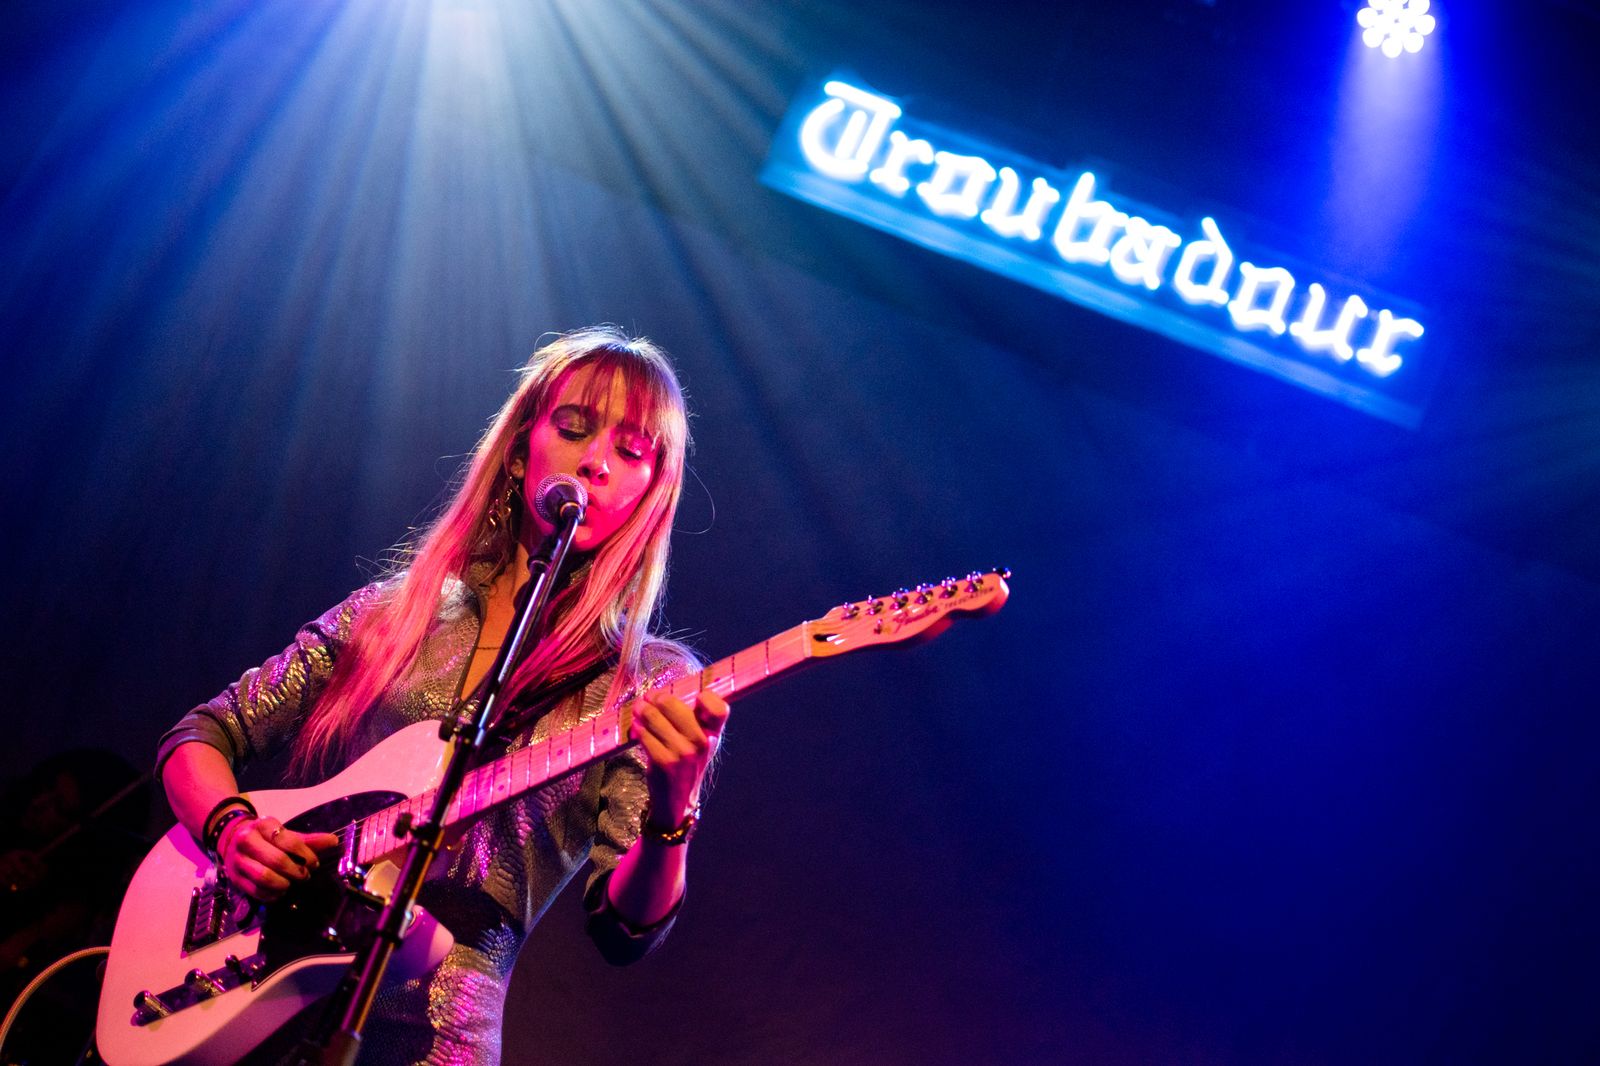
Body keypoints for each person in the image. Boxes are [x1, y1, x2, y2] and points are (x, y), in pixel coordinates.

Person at [156, 326, 728, 1064]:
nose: (595, 461)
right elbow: (203, 734)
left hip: (437, 1035)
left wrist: (673, 813)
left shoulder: (646, 679)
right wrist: (231, 829)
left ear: (651, 492)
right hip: (266, 993)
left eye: (632, 451)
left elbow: (624, 932)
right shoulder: (396, 612)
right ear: (520, 448)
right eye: (573, 428)